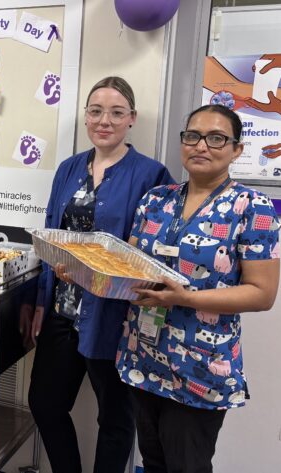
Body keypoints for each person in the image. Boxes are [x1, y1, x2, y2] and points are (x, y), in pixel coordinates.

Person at [117, 104, 281, 472]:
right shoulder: (156, 201)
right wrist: (83, 272)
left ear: (236, 149)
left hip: (200, 369)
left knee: (187, 465)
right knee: (153, 461)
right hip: (143, 356)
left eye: (216, 138)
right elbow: (127, 265)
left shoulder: (252, 208)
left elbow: (262, 293)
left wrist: (186, 298)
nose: (201, 146)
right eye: (192, 136)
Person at [26, 77, 174, 473]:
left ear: (132, 119)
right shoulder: (69, 168)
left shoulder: (151, 175)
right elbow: (50, 231)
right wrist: (43, 301)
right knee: (44, 404)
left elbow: (155, 251)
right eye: (95, 111)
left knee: (116, 418)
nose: (104, 120)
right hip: (63, 309)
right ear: (86, 117)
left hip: (116, 318)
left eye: (116, 112)